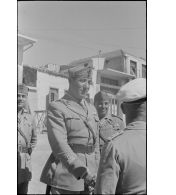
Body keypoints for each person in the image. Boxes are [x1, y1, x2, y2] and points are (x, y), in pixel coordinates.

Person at [40, 65, 100, 194]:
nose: (87, 86)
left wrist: (97, 169)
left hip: (92, 176)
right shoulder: (57, 107)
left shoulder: (92, 109)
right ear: (70, 81)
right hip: (67, 176)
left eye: (89, 81)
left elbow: (96, 145)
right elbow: (60, 146)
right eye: (82, 80)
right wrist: (82, 171)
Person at [95, 78, 146, 194]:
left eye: (106, 103)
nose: (103, 106)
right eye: (100, 103)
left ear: (122, 108)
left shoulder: (115, 144)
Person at [18, 84, 37, 194]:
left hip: (24, 162)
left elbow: (34, 139)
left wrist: (28, 152)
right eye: (17, 95)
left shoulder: (30, 117)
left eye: (23, 96)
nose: (20, 98)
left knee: (23, 189)